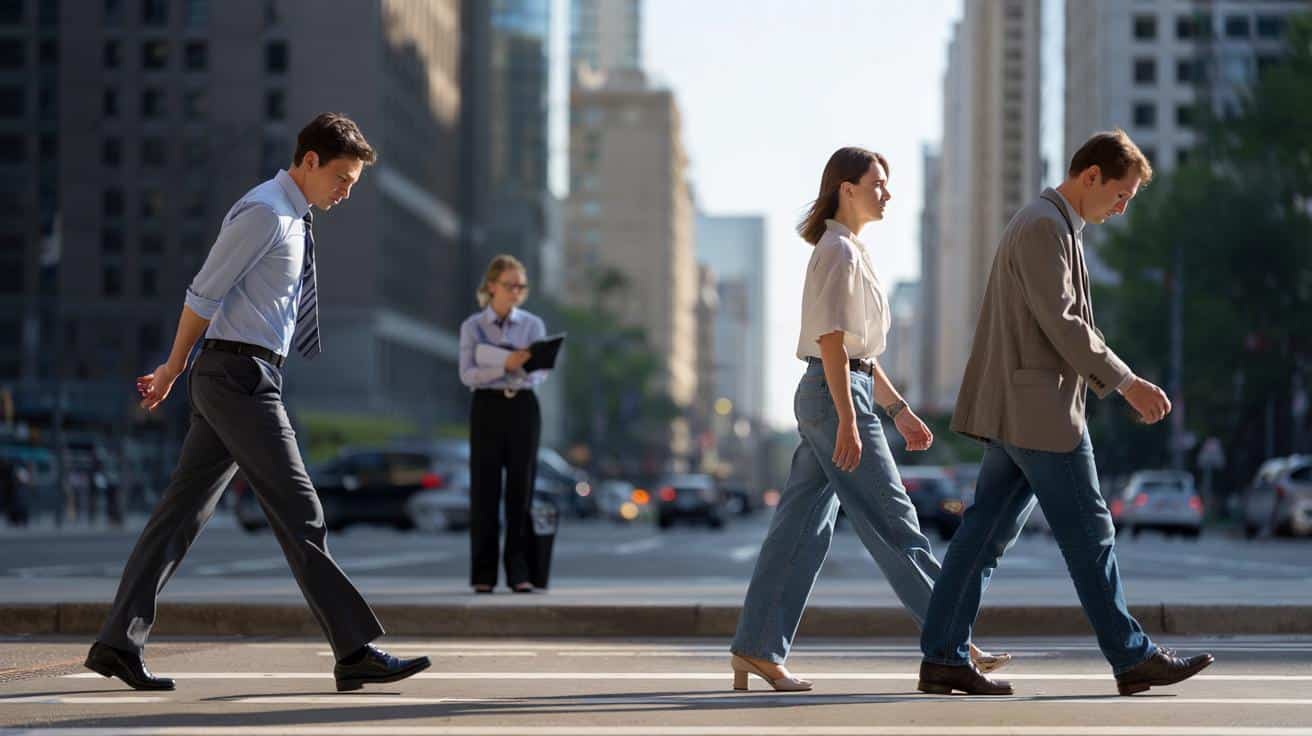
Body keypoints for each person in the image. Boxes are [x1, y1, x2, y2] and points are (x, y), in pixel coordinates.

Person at [85, 113, 430, 693]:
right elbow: (203, 293)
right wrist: (172, 368)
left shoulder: (294, 218)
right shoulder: (265, 213)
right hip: (238, 376)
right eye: (342, 178)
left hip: (245, 374)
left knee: (180, 516)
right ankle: (353, 650)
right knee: (301, 510)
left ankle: (117, 643)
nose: (345, 192)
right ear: (310, 161)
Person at [917, 129, 1214, 696]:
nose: (1122, 208)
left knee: (983, 537)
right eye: (1121, 195)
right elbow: (1063, 321)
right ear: (1091, 175)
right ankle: (1131, 657)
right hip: (1040, 413)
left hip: (1025, 409)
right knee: (1089, 534)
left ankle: (943, 657)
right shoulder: (1043, 226)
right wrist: (1127, 382)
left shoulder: (1052, 224)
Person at [729, 147, 1007, 692]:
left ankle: (756, 648)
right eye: (878, 183)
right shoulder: (838, 251)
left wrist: (898, 410)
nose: (887, 193)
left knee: (800, 532)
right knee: (894, 522)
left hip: (837, 391)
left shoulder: (850, 250)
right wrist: (850, 420)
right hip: (835, 396)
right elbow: (832, 341)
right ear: (847, 189)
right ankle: (952, 642)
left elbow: (861, 355)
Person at [458, 255, 552, 594]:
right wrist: (505, 365)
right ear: (492, 286)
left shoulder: (532, 325)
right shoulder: (473, 326)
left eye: (521, 286)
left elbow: (541, 372)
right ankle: (483, 574)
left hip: (523, 406)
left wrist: (521, 368)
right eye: (510, 285)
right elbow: (467, 374)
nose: (516, 292)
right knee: (484, 489)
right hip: (487, 406)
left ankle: (519, 572)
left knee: (520, 489)